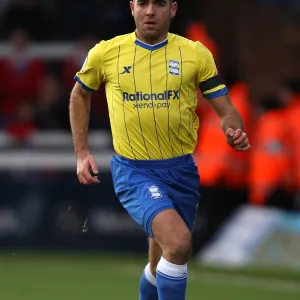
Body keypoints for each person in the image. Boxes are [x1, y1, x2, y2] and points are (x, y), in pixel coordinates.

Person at [69, 1, 250, 300]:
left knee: (159, 265)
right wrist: (81, 152)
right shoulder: (106, 52)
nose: (150, 11)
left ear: (173, 9)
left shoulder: (195, 53)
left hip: (181, 171)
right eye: (143, 3)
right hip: (135, 171)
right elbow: (80, 93)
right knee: (179, 243)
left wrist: (234, 130)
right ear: (132, 8)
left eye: (159, 4)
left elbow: (226, 108)